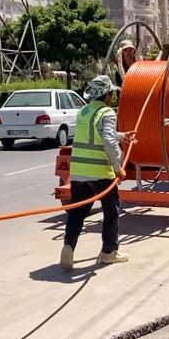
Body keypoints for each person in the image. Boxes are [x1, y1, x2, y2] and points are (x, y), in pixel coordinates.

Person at [60, 75, 135, 271]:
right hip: (100, 171)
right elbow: (109, 142)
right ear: (107, 94)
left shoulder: (84, 111)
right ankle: (109, 252)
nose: (112, 97)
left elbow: (95, 134)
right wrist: (118, 168)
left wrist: (122, 136)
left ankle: (68, 246)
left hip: (78, 172)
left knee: (77, 211)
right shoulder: (107, 113)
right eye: (111, 93)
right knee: (111, 210)